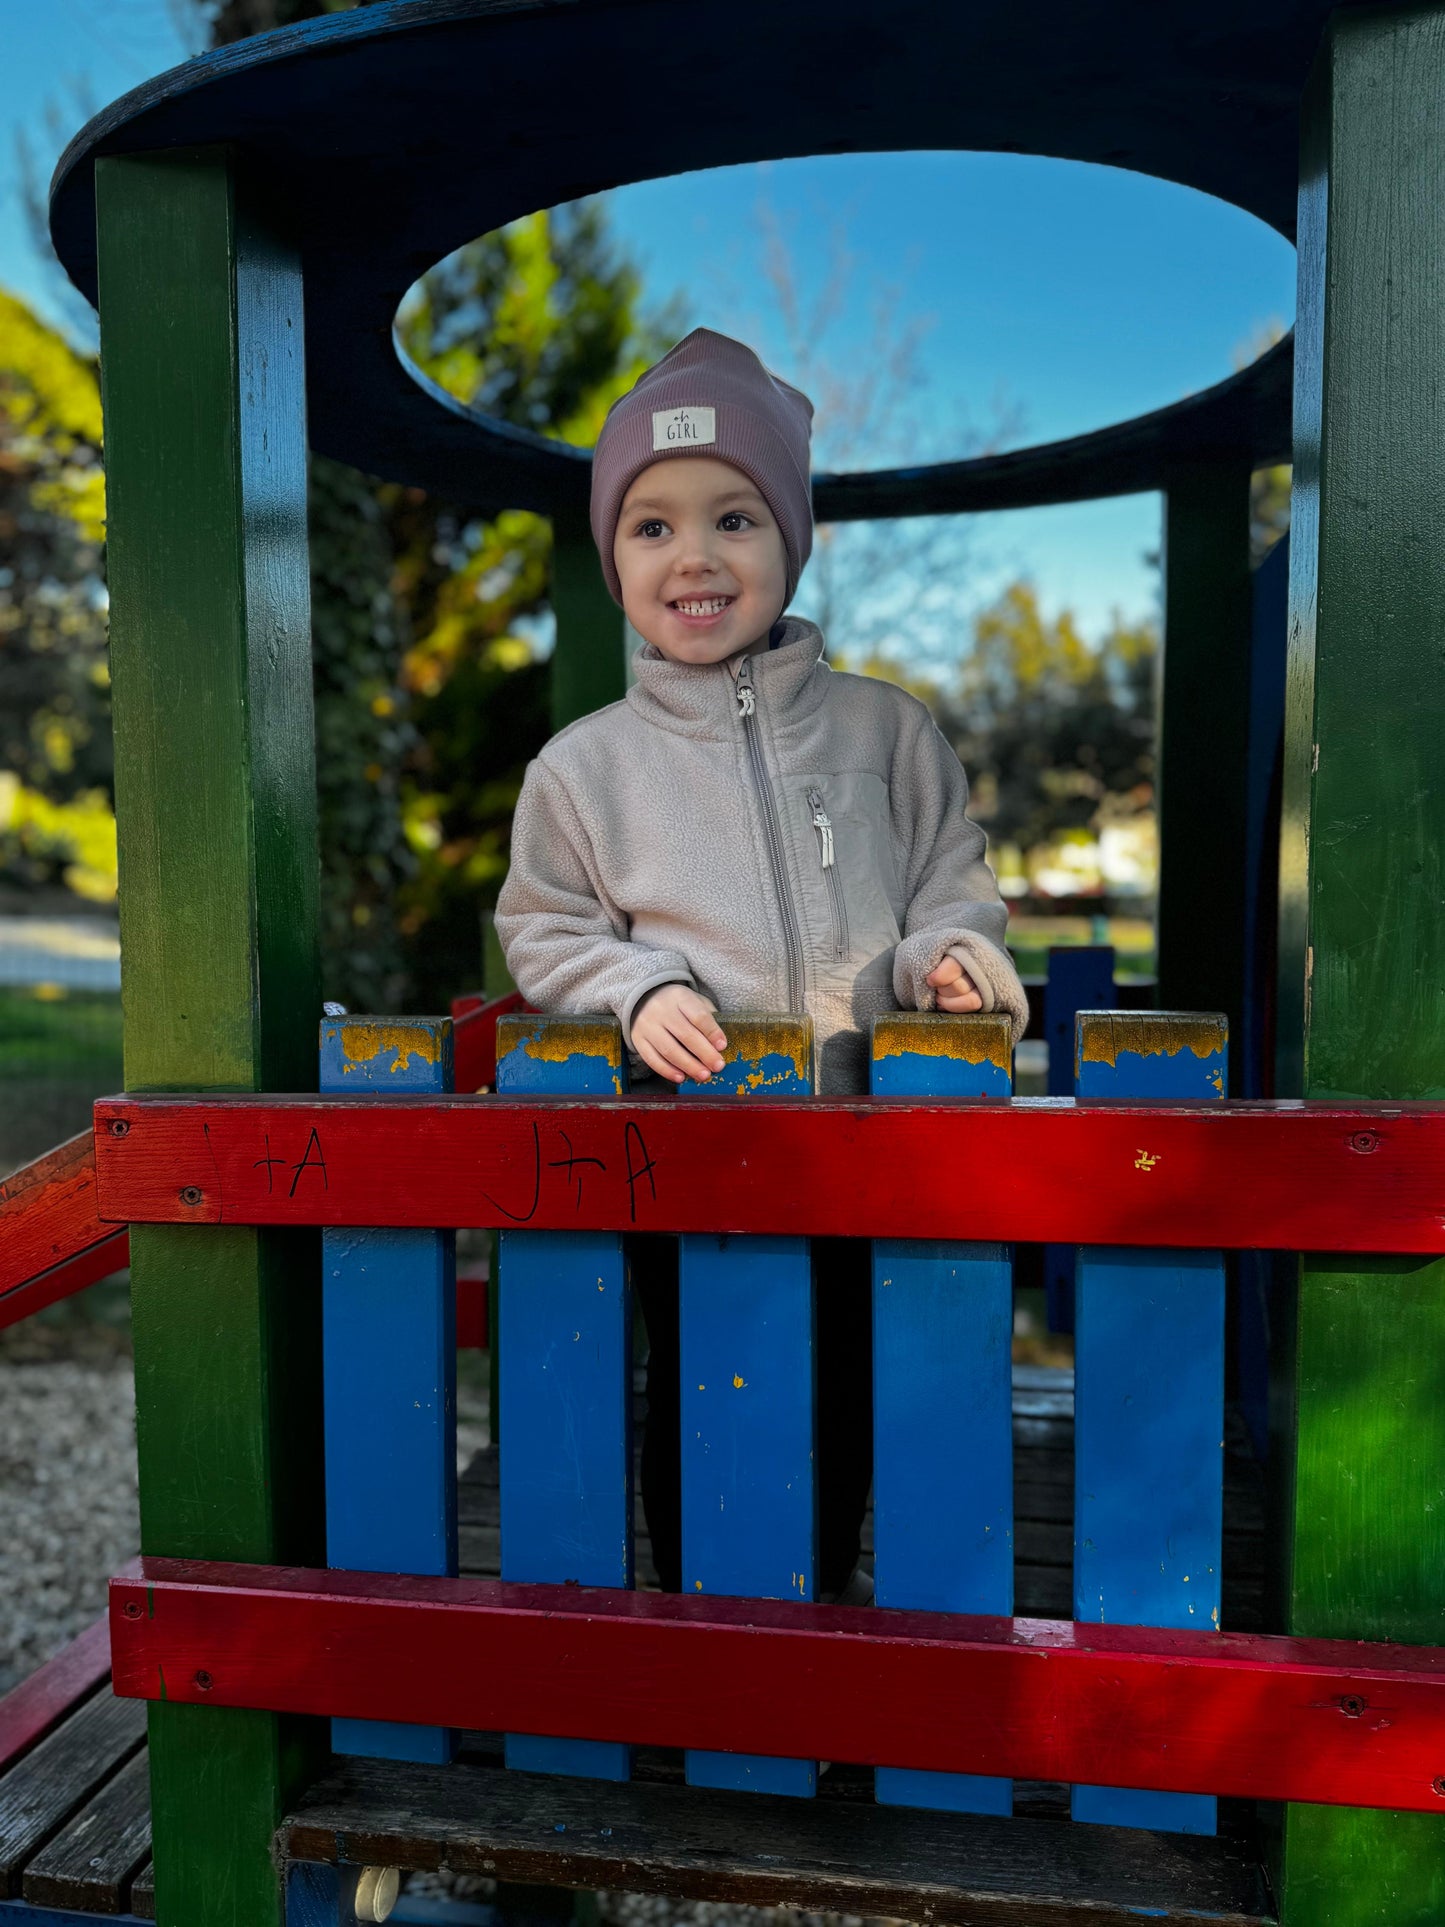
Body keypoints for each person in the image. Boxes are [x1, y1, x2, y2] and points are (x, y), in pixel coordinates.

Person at [496, 326, 1029, 1597]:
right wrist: (636, 989)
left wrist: (948, 955)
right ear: (612, 558)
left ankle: (827, 1613)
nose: (693, 555)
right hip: (690, 1152)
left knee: (851, 1388)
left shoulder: (884, 731)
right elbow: (543, 927)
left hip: (867, 1134)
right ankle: (699, 1624)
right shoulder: (583, 768)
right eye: (650, 526)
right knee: (698, 1394)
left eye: (735, 518)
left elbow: (953, 876)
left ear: (792, 540)